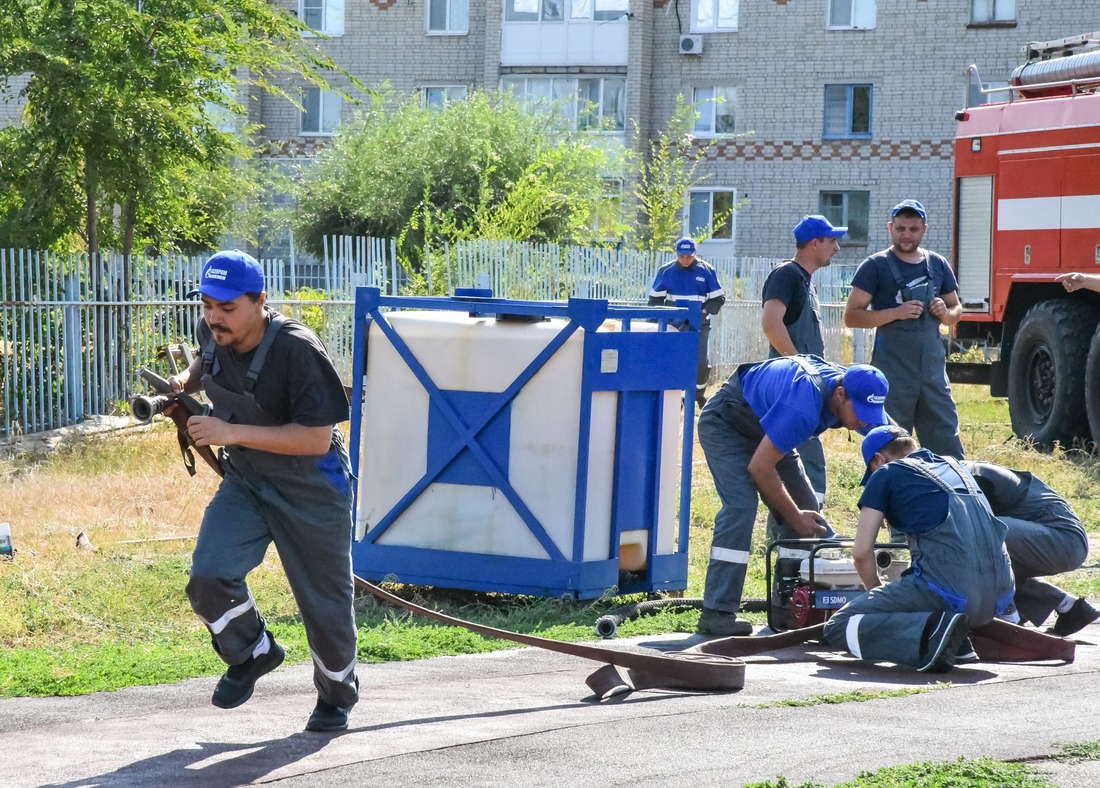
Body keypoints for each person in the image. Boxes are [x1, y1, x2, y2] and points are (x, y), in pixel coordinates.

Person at [169, 250, 359, 733]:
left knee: (324, 603)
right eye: (207, 304)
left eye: (228, 307)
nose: (215, 317)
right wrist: (184, 381)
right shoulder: (211, 334)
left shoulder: (298, 349)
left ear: (261, 301)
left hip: (312, 486)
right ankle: (253, 650)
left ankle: (336, 696)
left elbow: (316, 439)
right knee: (209, 575)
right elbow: (206, 364)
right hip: (249, 481)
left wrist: (230, 434)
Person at [695, 354, 891, 636]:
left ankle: (788, 609)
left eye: (870, 415)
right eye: (860, 413)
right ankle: (717, 613)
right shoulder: (803, 405)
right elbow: (760, 468)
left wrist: (886, 495)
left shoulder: (859, 389)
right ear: (840, 394)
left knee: (806, 505)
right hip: (729, 423)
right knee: (741, 507)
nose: (864, 422)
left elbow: (893, 444)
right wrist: (795, 518)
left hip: (771, 428)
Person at [822, 426, 1015, 672]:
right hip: (998, 598)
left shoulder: (887, 473)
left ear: (878, 460)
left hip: (951, 594)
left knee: (839, 625)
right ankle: (956, 640)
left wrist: (877, 593)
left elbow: (860, 553)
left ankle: (934, 634)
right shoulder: (956, 467)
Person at [843, 199, 965, 458]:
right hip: (893, 373)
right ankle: (888, 492)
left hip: (932, 372)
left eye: (913, 229)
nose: (906, 235)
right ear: (890, 228)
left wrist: (945, 312)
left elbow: (956, 311)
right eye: (900, 228)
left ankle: (949, 494)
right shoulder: (875, 265)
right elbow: (852, 317)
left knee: (946, 442)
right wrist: (895, 313)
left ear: (924, 229)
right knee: (892, 444)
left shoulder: (937, 264)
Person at [761, 214, 848, 512]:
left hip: (807, 391)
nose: (836, 247)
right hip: (796, 390)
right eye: (832, 240)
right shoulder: (786, 274)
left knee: (807, 464)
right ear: (814, 243)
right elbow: (772, 324)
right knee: (805, 466)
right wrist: (802, 368)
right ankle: (804, 533)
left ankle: (807, 529)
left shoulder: (805, 281)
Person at [959, 461, 1097, 637]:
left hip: (1064, 540)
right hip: (1055, 539)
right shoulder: (952, 472)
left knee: (980, 538)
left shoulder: (970, 478)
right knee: (981, 556)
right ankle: (1067, 605)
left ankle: (1011, 621)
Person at [648, 236, 726, 409]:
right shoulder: (666, 271)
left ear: (695, 253)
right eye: (682, 256)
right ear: (677, 254)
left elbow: (718, 298)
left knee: (700, 364)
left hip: (698, 325)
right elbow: (654, 301)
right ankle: (677, 399)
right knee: (673, 361)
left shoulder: (706, 270)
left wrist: (704, 311)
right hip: (672, 325)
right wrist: (656, 325)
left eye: (689, 256)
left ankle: (698, 394)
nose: (685, 260)